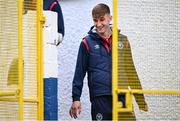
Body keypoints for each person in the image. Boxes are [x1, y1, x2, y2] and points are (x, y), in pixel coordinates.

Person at [69, 3, 148, 120]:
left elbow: (131, 71)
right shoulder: (86, 43)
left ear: (110, 18)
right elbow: (79, 72)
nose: (98, 24)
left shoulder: (123, 40)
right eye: (95, 21)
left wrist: (140, 99)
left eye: (102, 20)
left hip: (122, 95)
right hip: (100, 98)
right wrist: (76, 98)